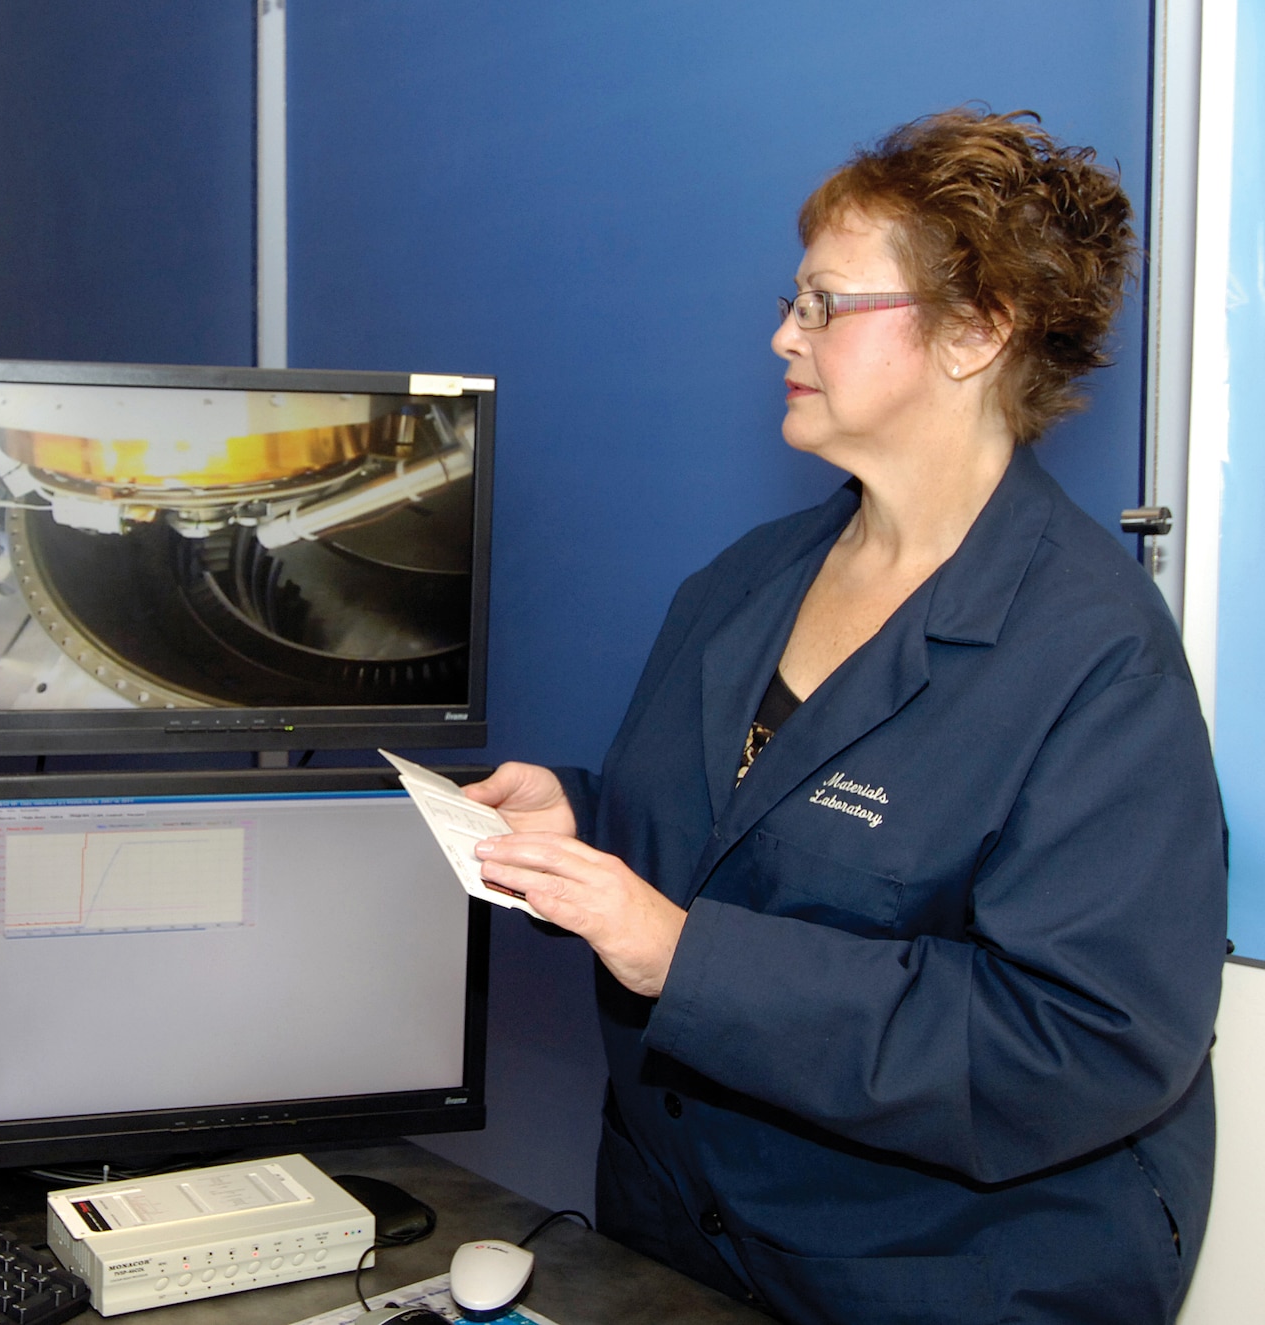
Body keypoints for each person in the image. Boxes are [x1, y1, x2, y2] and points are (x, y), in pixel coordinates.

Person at [464, 108, 1226, 1324]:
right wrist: (582, 819)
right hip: (683, 1234)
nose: (781, 333)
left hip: (941, 1274)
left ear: (975, 332)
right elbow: (744, 838)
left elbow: (1074, 1042)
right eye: (791, 298)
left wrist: (678, 955)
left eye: (824, 304)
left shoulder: (1095, 658)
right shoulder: (742, 584)